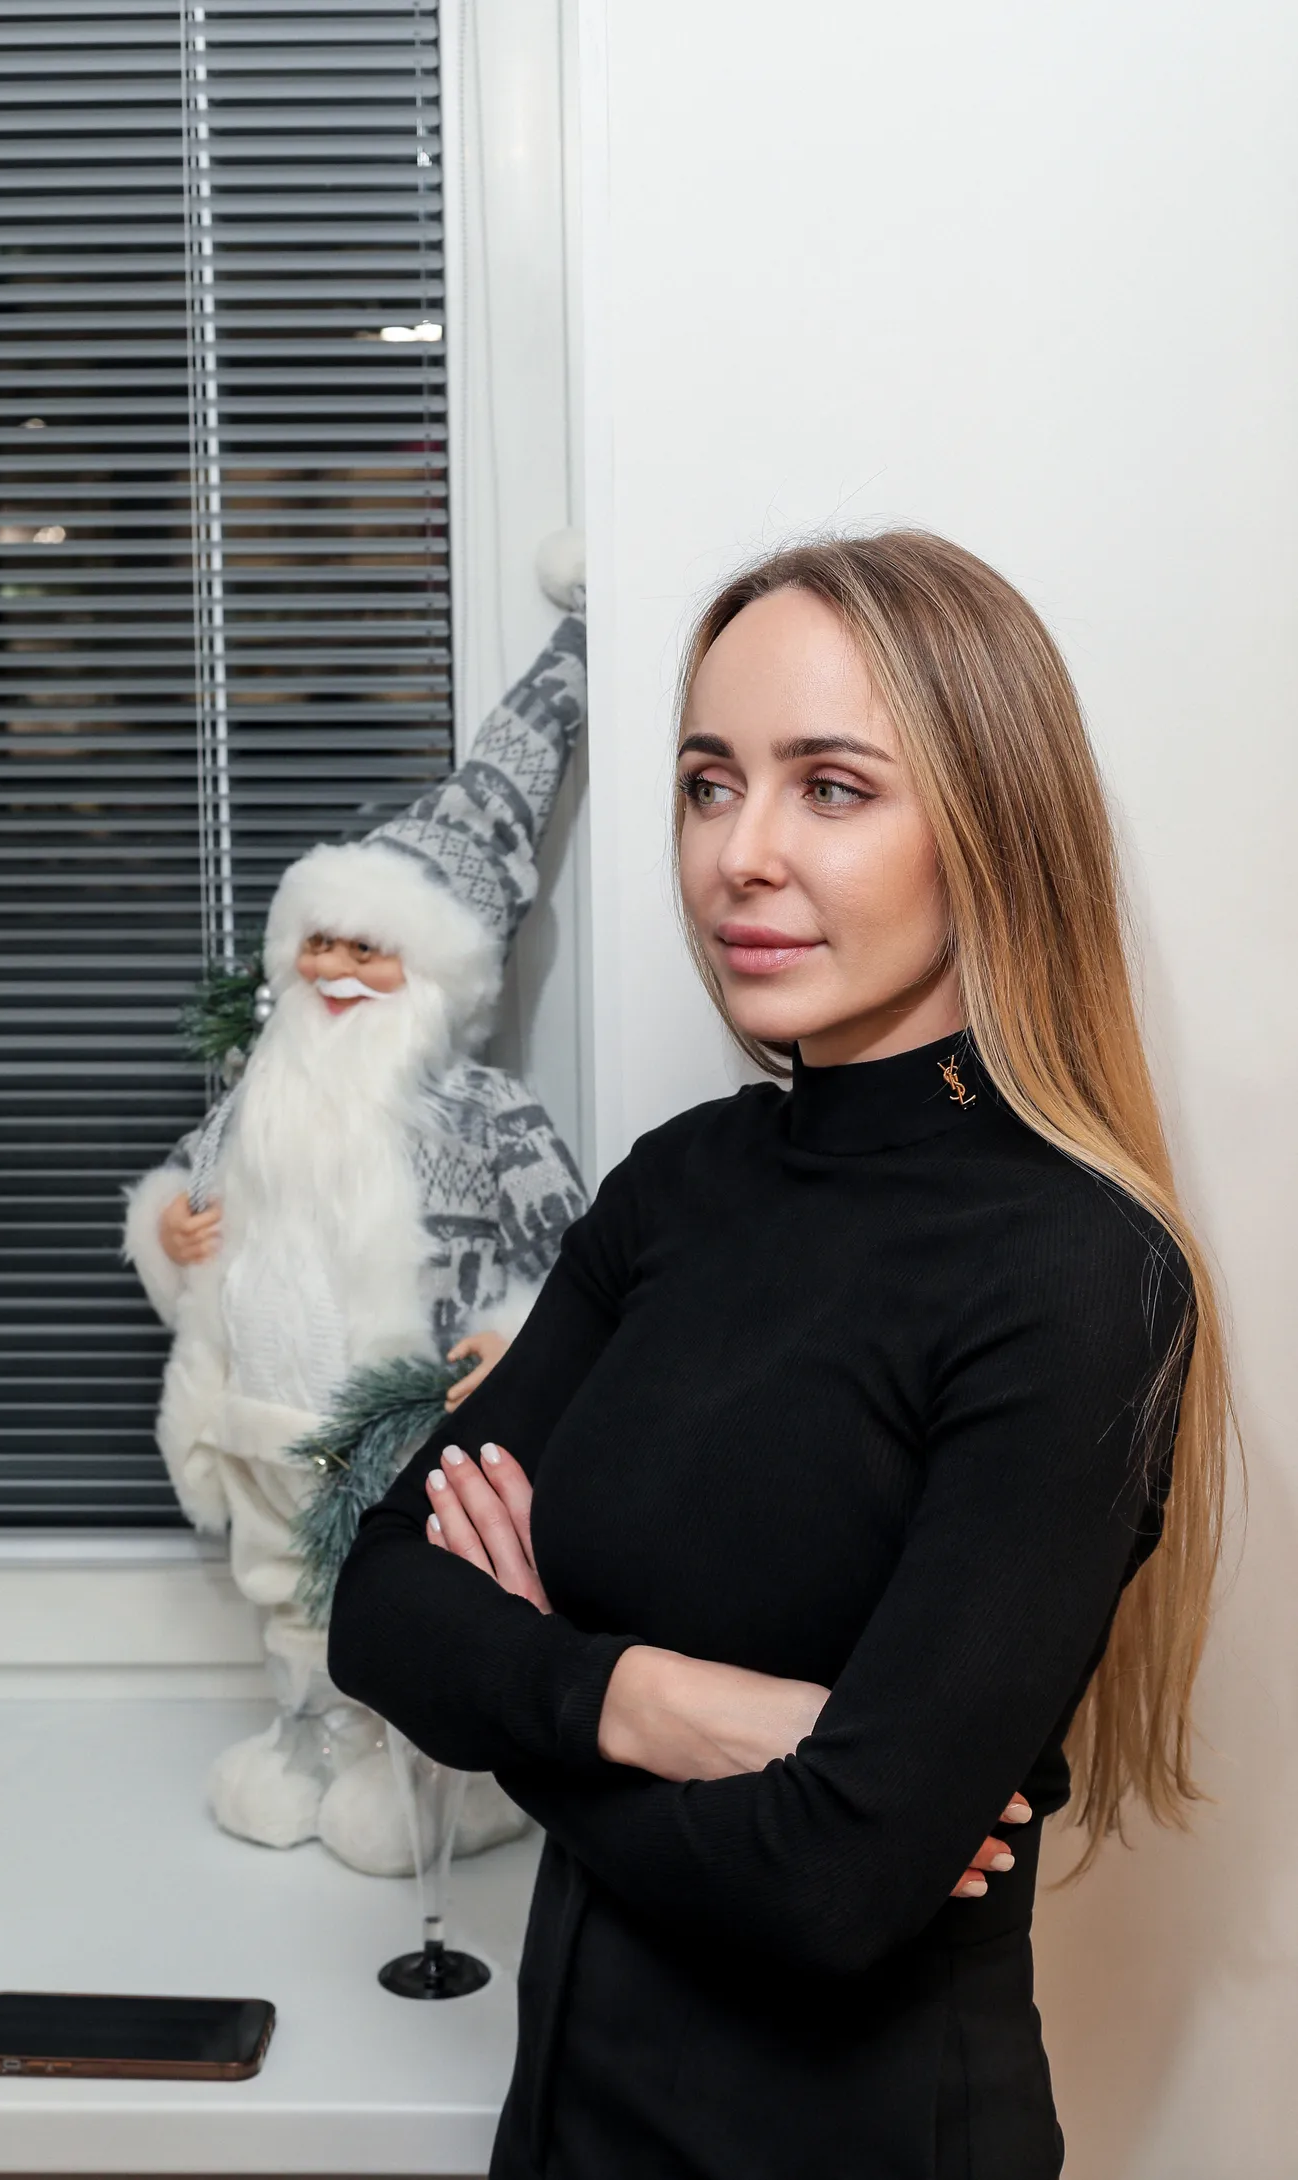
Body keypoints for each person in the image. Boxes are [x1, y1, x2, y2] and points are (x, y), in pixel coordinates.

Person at [327, 532, 1231, 2177]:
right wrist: (662, 1705)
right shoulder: (677, 1187)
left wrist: (529, 1683)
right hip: (568, 2133)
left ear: (987, 826)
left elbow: (833, 1888)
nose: (737, 854)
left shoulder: (1077, 1273)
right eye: (706, 784)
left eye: (829, 788)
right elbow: (380, 1605)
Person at [123, 602, 589, 1872]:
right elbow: (191, 1189)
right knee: (286, 1591)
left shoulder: (482, 1112)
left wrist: (515, 1340)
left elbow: (578, 1257)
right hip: (260, 1422)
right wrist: (167, 1227)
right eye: (318, 941)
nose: (334, 966)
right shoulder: (256, 1100)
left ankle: (444, 1773)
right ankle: (311, 1738)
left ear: (430, 977)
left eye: (367, 948)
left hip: (405, 1435)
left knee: (419, 1598)